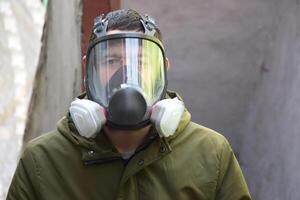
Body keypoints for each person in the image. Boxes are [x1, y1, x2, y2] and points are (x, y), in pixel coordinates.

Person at [7, 9, 251, 200]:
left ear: (163, 71)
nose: (126, 73)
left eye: (141, 61)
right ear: (88, 69)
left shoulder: (211, 153)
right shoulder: (42, 161)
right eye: (112, 60)